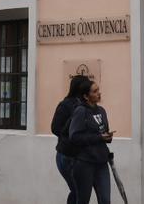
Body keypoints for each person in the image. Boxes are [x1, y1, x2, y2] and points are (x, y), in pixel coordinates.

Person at [68, 81, 114, 204]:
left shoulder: (102, 110)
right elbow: (74, 136)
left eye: (98, 90)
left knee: (105, 200)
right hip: (85, 163)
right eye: (95, 91)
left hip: (101, 161)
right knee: (83, 200)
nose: (99, 93)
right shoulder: (80, 111)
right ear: (86, 96)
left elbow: (103, 131)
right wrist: (99, 138)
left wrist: (107, 137)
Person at [53, 75, 93, 204]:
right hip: (67, 155)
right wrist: (72, 136)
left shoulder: (87, 105)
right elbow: (55, 128)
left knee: (79, 192)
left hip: (81, 156)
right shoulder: (66, 105)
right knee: (78, 191)